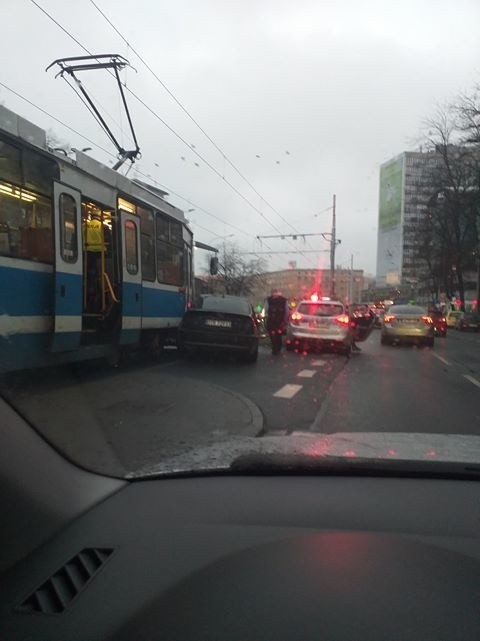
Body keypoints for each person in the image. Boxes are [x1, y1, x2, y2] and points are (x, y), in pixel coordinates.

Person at [264, 289, 289, 355]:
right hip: (279, 321)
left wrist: (266, 317)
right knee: (278, 334)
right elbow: (287, 311)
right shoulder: (284, 300)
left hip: (272, 320)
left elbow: (265, 309)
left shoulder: (268, 300)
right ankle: (277, 348)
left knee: (273, 335)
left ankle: (275, 348)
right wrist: (285, 320)